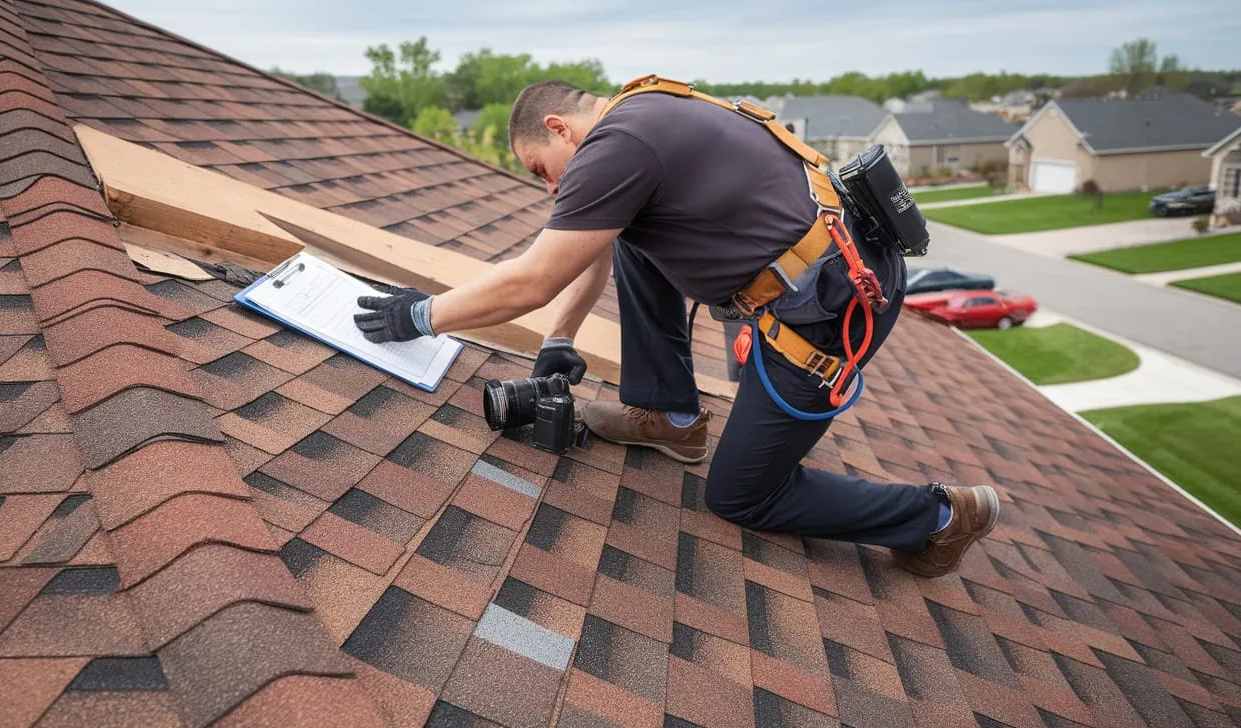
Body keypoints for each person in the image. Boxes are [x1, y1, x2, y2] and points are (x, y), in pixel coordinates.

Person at [353, 78, 1000, 577]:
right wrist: (558, 340)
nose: (549, 188)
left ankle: (940, 516)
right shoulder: (644, 109)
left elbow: (535, 277)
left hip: (832, 311)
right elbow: (590, 250)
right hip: (827, 269)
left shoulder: (619, 143)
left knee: (742, 496)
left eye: (538, 168)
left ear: (558, 128)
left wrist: (420, 315)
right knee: (633, 236)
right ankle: (671, 417)